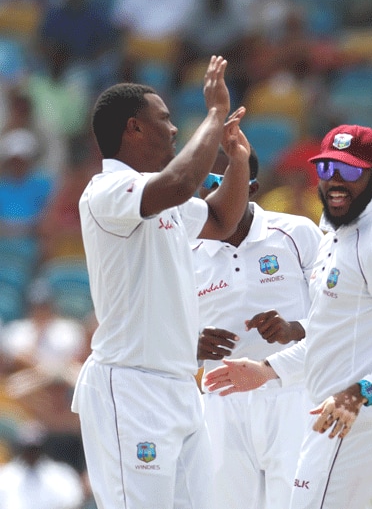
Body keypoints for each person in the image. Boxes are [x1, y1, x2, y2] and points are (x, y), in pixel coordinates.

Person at [203, 124, 372, 509]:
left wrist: (359, 393)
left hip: (360, 426)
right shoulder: (333, 238)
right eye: (327, 169)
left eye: (348, 171)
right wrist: (268, 369)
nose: (335, 182)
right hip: (331, 422)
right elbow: (330, 333)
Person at [71, 55, 251, 509]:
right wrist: (211, 115)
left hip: (180, 386)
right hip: (130, 387)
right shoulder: (106, 191)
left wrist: (238, 161)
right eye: (165, 120)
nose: (173, 130)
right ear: (133, 129)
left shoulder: (162, 197)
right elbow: (180, 184)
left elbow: (222, 219)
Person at [192, 148, 323, 509]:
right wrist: (193, 345)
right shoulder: (186, 251)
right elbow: (159, 336)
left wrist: (293, 329)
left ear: (252, 187)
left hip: (292, 392)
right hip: (221, 401)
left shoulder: (297, 233)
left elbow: (342, 318)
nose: (213, 194)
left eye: (223, 182)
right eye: (206, 183)